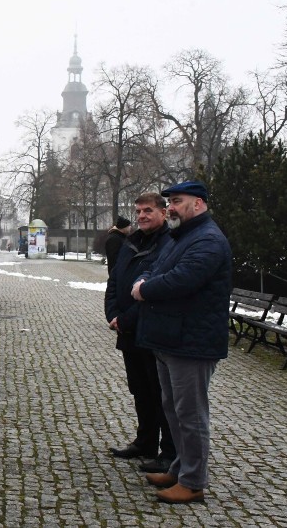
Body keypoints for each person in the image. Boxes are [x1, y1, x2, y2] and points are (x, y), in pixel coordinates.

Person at [131, 181, 231, 504]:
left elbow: (182, 280)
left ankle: (193, 482)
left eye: (176, 201)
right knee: (172, 409)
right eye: (170, 201)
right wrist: (142, 280)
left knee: (190, 414)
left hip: (192, 342)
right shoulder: (182, 236)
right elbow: (154, 268)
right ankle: (179, 468)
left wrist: (145, 290)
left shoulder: (209, 240)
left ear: (198, 204)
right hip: (171, 339)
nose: (171, 207)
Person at [105, 192, 176, 473]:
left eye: (148, 210)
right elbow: (115, 280)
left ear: (163, 212)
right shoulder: (130, 242)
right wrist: (112, 314)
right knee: (139, 389)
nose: (142, 216)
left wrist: (126, 319)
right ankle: (145, 441)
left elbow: (156, 288)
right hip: (128, 331)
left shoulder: (169, 243)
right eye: (138, 211)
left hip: (151, 329)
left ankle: (167, 451)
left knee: (160, 392)